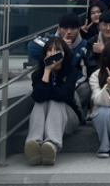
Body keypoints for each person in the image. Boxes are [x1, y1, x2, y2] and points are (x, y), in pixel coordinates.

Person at [25, 37, 81, 166]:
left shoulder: (71, 71)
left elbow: (66, 95)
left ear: (64, 53)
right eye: (50, 50)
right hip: (46, 118)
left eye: (57, 50)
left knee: (55, 102)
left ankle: (52, 145)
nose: (53, 53)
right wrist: (47, 71)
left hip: (69, 118)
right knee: (40, 103)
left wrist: (47, 93)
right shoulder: (38, 74)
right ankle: (34, 145)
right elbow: (38, 96)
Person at [28, 13, 90, 118]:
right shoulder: (50, 40)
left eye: (73, 28)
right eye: (65, 28)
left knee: (85, 88)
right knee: (41, 103)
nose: (69, 32)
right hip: (49, 83)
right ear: (58, 28)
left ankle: (78, 114)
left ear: (79, 29)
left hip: (72, 86)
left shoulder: (83, 46)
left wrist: (68, 86)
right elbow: (32, 48)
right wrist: (59, 46)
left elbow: (83, 75)